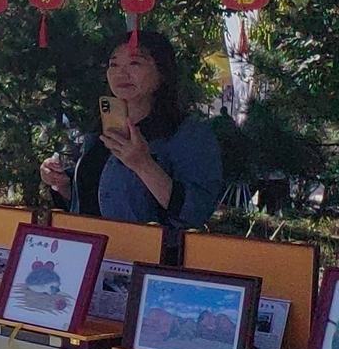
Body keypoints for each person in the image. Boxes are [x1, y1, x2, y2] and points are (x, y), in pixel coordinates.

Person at [41, 29, 226, 230]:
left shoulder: (189, 134)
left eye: (135, 63)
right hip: (89, 246)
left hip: (145, 248)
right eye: (114, 65)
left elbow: (196, 212)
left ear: (162, 73)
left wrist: (143, 164)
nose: (121, 73)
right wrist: (62, 184)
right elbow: (89, 201)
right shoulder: (99, 131)